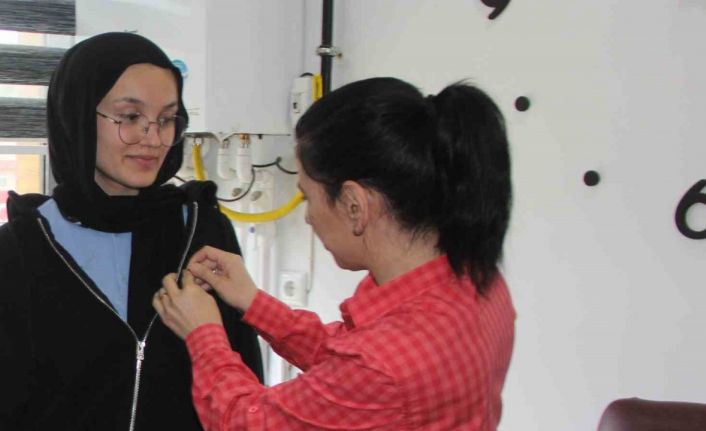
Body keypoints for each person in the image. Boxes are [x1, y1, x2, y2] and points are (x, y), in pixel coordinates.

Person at [154, 77, 516, 430]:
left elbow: (246, 422)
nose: (308, 216)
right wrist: (253, 301)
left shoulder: (382, 364)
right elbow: (344, 361)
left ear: (355, 204)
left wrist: (203, 334)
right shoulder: (474, 281)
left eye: (308, 197)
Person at [0, 32, 262, 430]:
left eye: (166, 119)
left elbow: (245, 380)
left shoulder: (202, 232)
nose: (153, 138)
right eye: (130, 117)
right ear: (77, 117)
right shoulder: (20, 250)